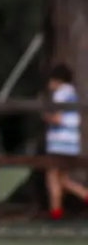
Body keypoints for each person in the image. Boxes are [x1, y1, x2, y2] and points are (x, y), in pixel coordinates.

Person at [44, 64, 87, 219]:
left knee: (52, 176)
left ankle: (55, 212)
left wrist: (45, 115)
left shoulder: (60, 94)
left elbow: (57, 118)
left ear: (56, 79)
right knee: (63, 179)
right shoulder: (72, 93)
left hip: (59, 142)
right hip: (72, 142)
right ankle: (85, 195)